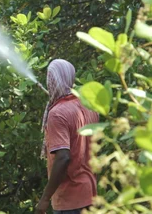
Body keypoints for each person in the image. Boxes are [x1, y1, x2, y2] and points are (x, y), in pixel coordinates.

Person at [35, 59, 99, 214]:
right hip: (91, 194)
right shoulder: (89, 106)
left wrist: (44, 199)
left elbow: (63, 157)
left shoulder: (57, 114)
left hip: (70, 200)